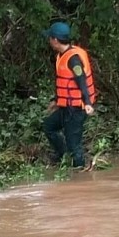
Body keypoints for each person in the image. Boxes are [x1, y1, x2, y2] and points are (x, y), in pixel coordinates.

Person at [42, 22, 96, 168]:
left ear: (55, 40)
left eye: (50, 38)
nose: (49, 41)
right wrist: (57, 100)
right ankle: (62, 154)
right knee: (49, 126)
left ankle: (79, 174)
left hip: (77, 109)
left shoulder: (74, 59)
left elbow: (81, 81)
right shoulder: (62, 54)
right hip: (66, 106)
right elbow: (66, 83)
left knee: (74, 145)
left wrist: (88, 103)